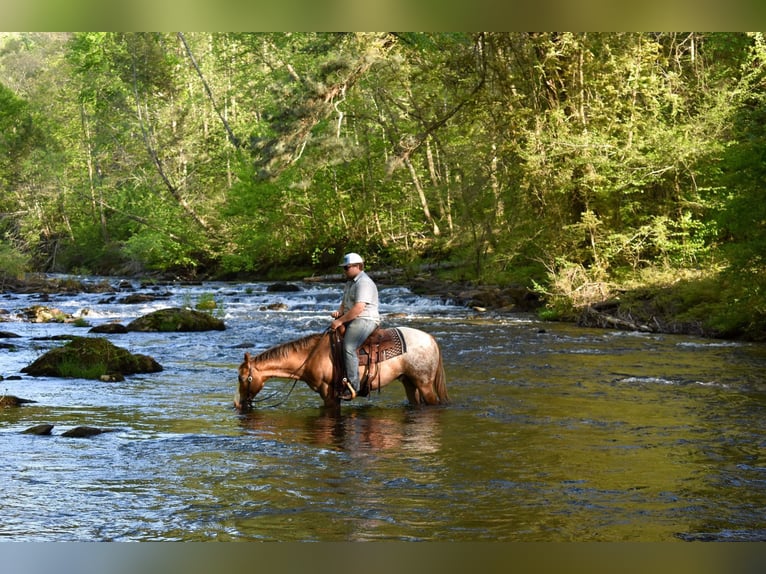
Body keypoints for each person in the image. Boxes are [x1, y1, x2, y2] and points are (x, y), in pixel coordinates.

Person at [330, 252, 380, 400]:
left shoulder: (364, 282)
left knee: (348, 347)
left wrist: (339, 321)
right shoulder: (350, 282)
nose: (344, 270)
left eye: (347, 267)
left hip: (365, 319)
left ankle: (354, 386)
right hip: (354, 318)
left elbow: (358, 308)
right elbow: (345, 303)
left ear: (358, 266)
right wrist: (339, 312)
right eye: (344, 268)